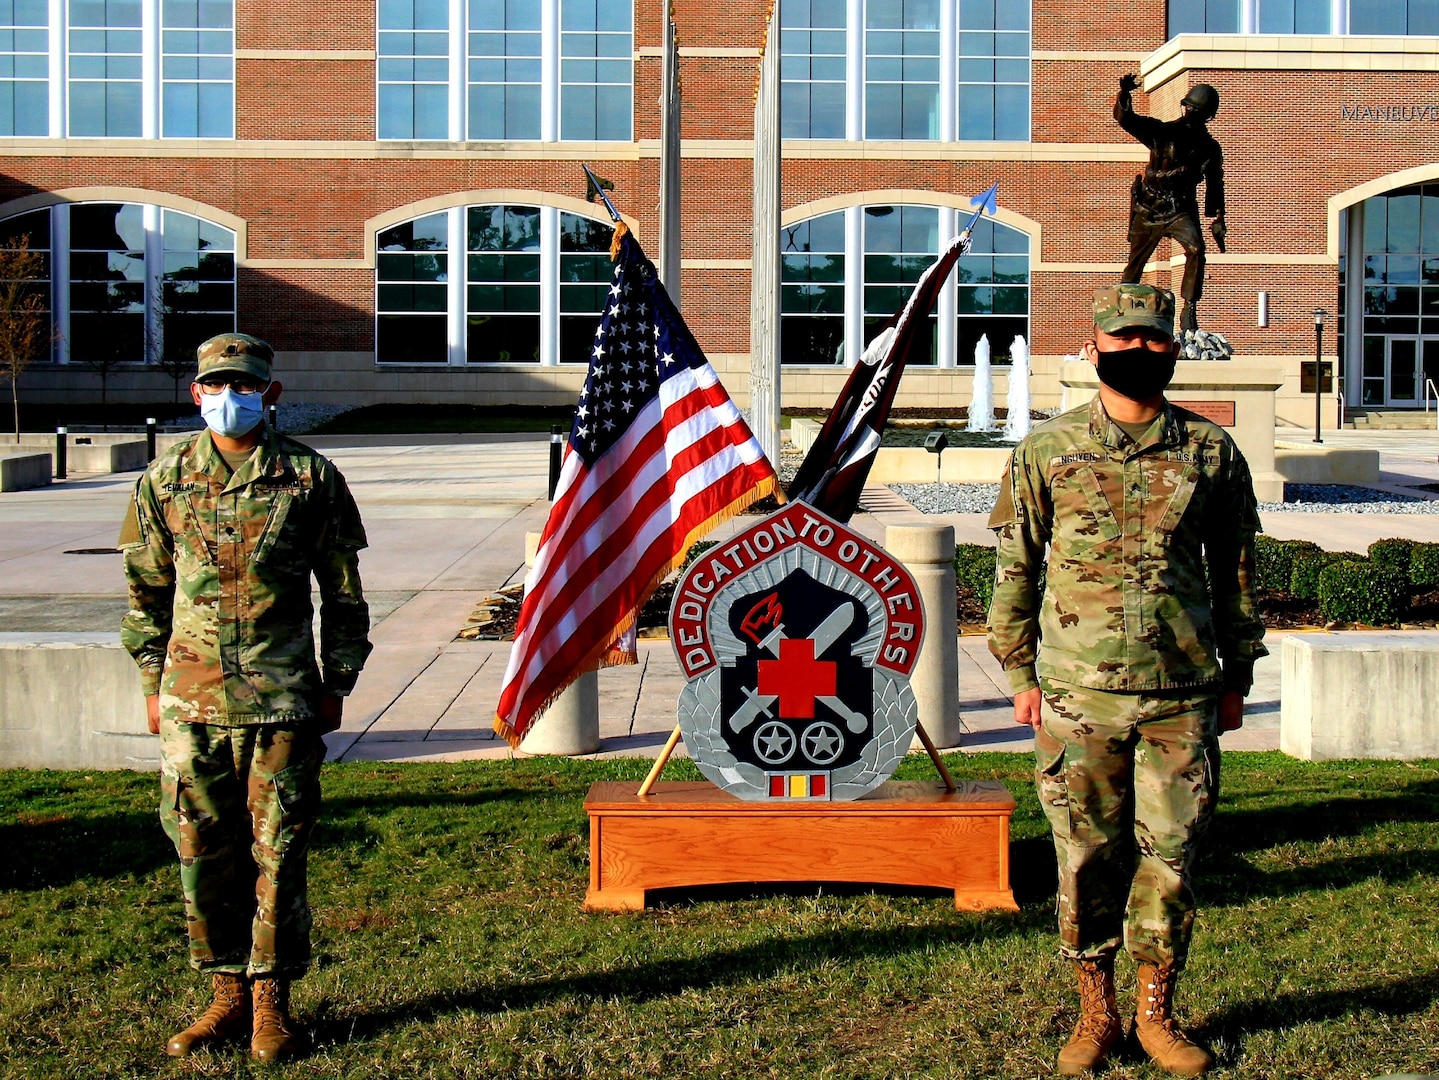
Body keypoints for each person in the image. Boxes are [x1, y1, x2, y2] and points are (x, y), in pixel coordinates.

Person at [986, 284, 1266, 1077]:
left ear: (1172, 349)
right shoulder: (1046, 449)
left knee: (1170, 859)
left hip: (1181, 695)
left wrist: (1236, 672)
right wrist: (1016, 671)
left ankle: (1155, 1013)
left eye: (1154, 341)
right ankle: (1094, 1010)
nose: (1139, 351)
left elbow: (1234, 573)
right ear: (1096, 343)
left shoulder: (1210, 452)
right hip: (1077, 698)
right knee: (1082, 857)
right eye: (1126, 339)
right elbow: (1015, 569)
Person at [119, 333, 372, 1063]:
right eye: (216, 386)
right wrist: (149, 683)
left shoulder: (309, 477)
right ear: (196, 394)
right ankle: (224, 993)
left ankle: (271, 1004)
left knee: (279, 852)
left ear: (270, 393)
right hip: (190, 704)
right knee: (199, 850)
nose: (230, 398)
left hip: (283, 700)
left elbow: (344, 592)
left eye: (245, 385)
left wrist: (339, 680)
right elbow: (145, 595)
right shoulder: (163, 482)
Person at [1115, 75, 1225, 334]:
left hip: (1180, 209)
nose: (1190, 113)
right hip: (1150, 207)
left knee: (1196, 249)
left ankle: (1190, 309)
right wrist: (1124, 94)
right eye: (1189, 108)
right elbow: (1126, 119)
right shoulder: (1162, 132)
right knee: (1135, 265)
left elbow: (1215, 183)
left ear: (1207, 116)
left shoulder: (1209, 148)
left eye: (1196, 110)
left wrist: (1218, 217)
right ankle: (1118, 312)